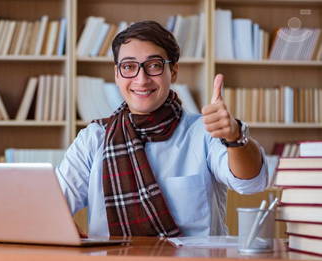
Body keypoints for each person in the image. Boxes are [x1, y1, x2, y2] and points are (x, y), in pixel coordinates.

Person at [56, 20, 268, 238]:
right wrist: (65, 230)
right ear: (117, 74)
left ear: (173, 71)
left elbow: (252, 183)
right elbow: (53, 204)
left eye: (154, 65)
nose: (141, 79)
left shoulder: (204, 131)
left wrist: (235, 138)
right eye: (129, 67)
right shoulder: (94, 138)